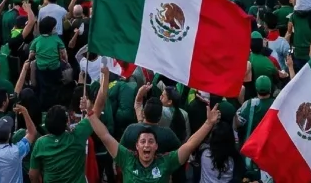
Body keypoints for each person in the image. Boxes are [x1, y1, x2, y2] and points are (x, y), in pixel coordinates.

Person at [86, 74, 220, 183]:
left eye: (151, 141)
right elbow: (105, 136)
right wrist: (90, 114)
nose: (146, 145)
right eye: (143, 141)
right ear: (136, 146)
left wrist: (208, 123)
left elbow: (189, 145)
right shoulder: (127, 159)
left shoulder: (166, 162)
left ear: (156, 146)